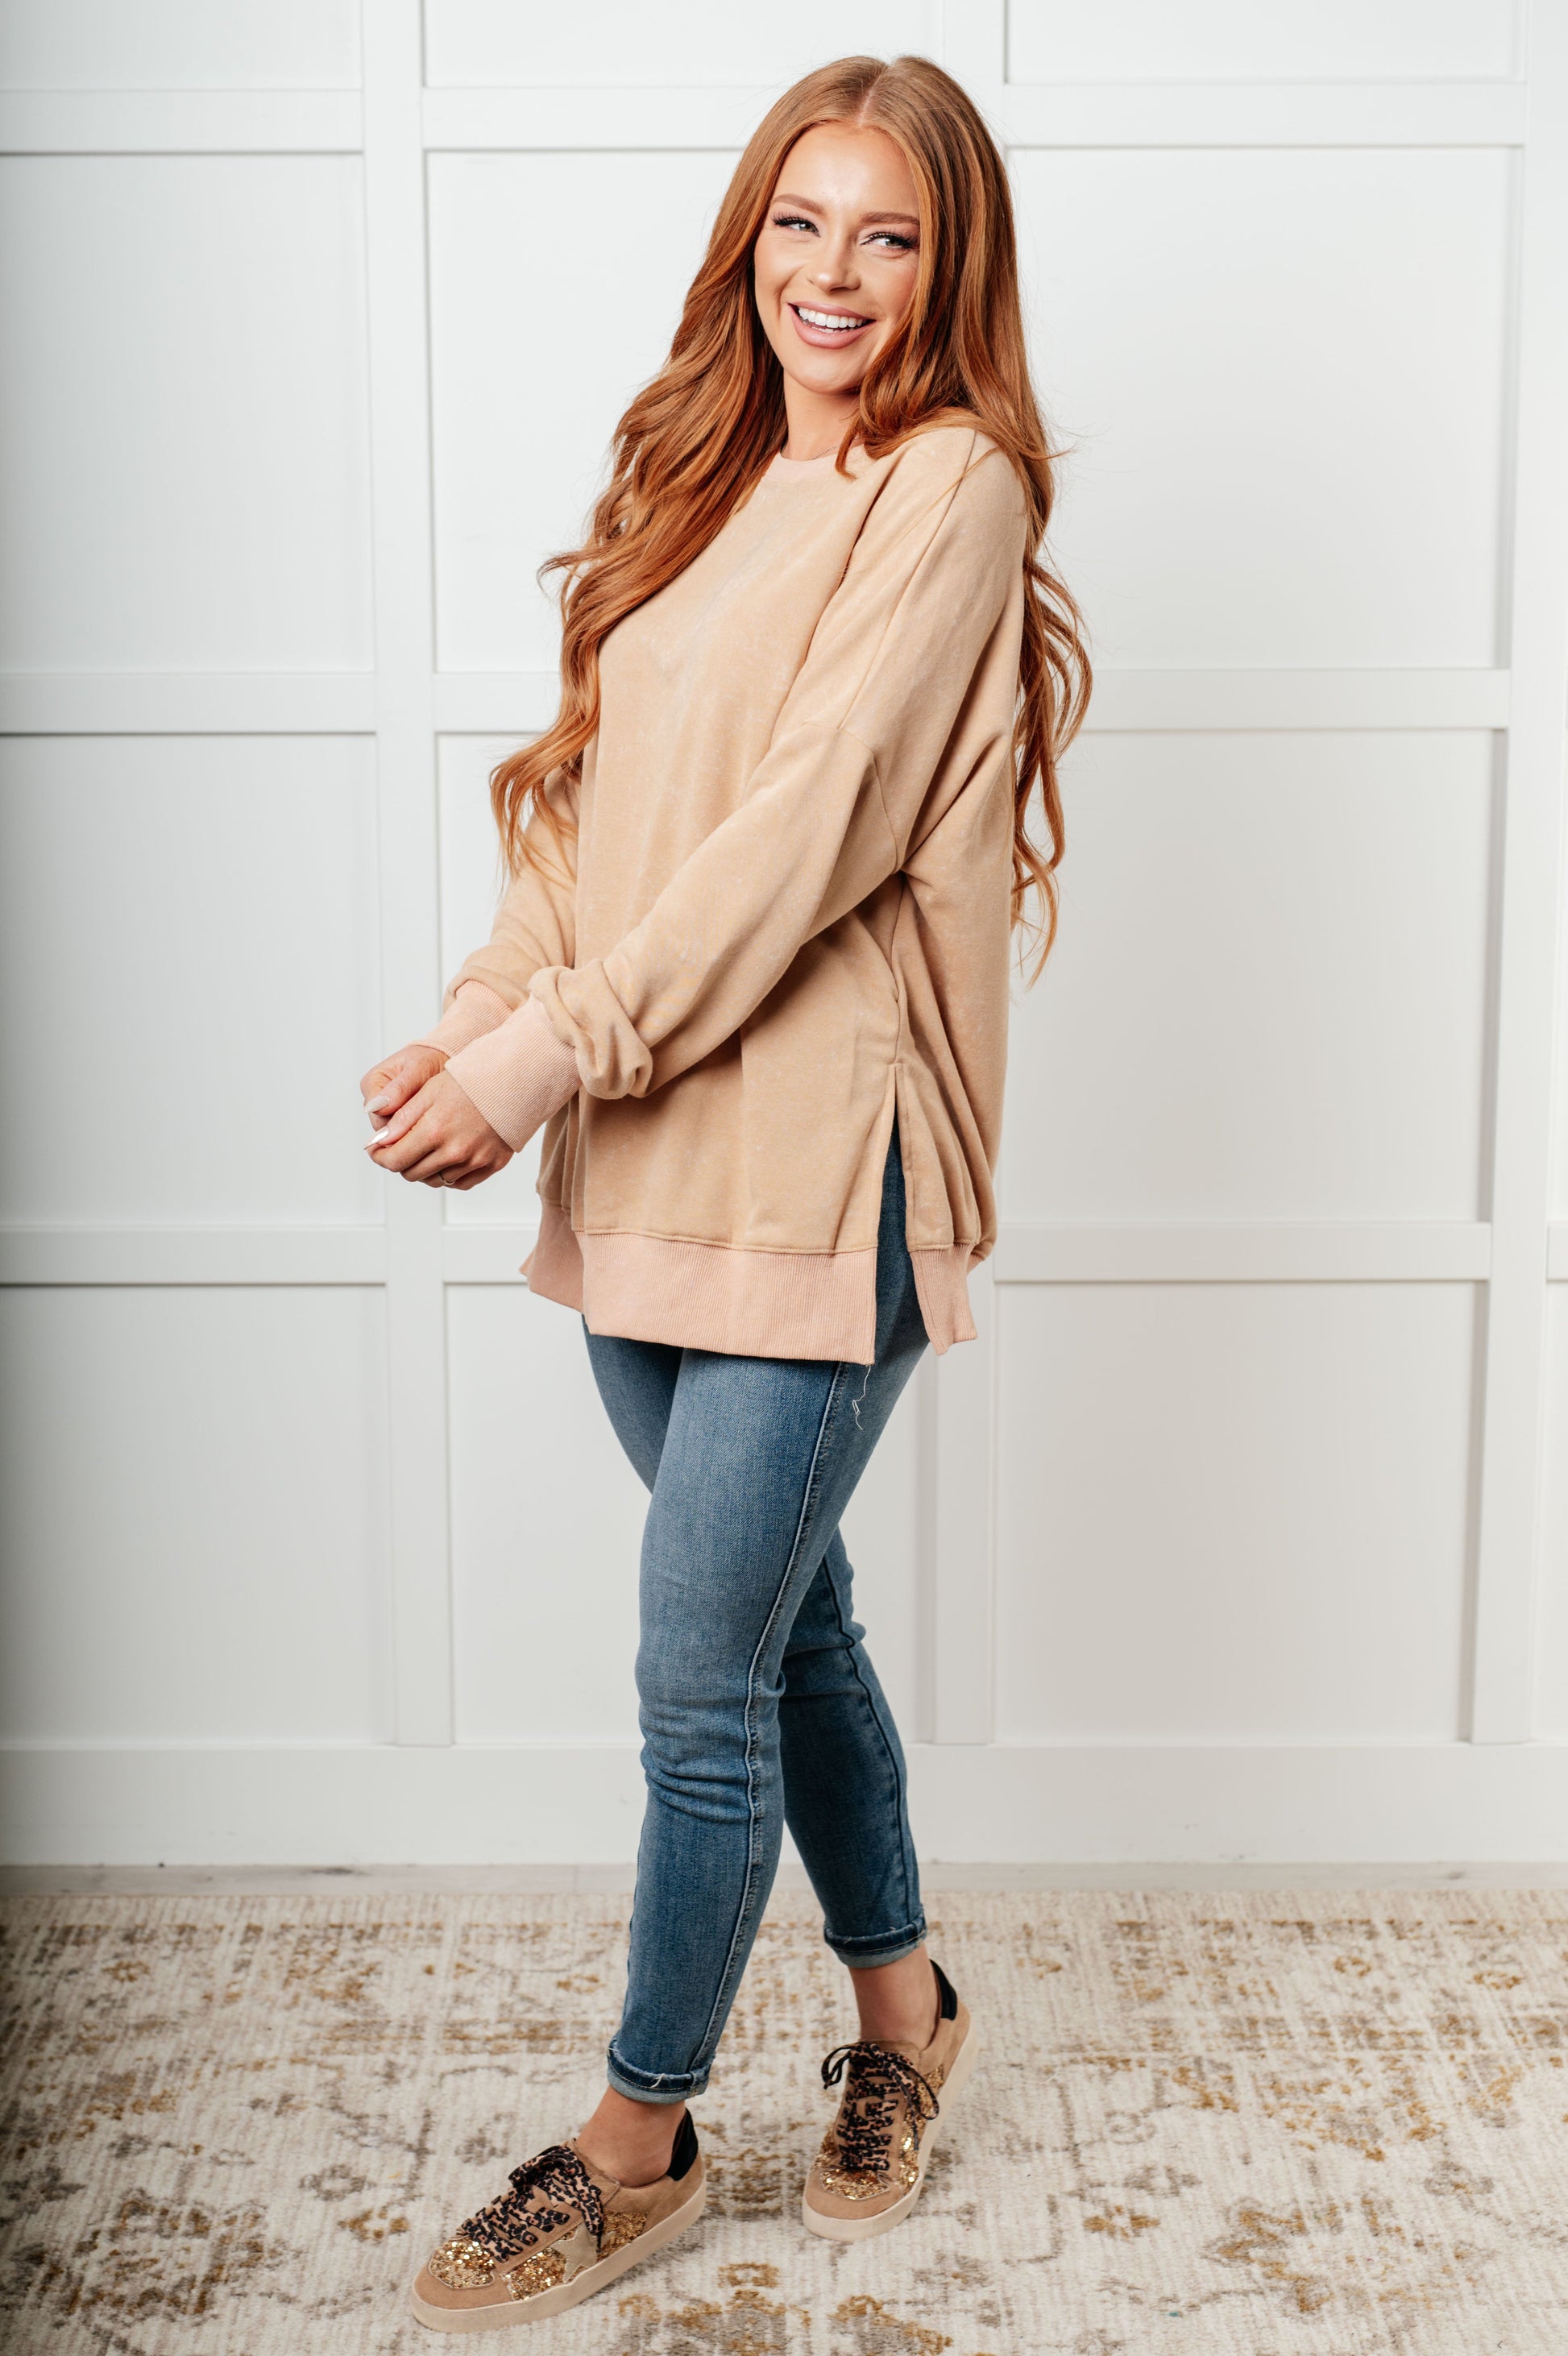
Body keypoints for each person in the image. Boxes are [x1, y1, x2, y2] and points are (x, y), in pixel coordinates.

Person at [361, 51, 1089, 2333]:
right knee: (794, 1626)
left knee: (701, 1674)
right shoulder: (693, 469)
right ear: (748, 237)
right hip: (648, 1149)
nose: (833, 274)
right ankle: (907, 2017)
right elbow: (587, 814)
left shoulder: (950, 483)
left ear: (949, 267)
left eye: (889, 234)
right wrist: (485, 1014)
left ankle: (636, 2139)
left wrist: (545, 1054)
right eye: (800, 221)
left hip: (828, 1158)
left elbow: (803, 833)